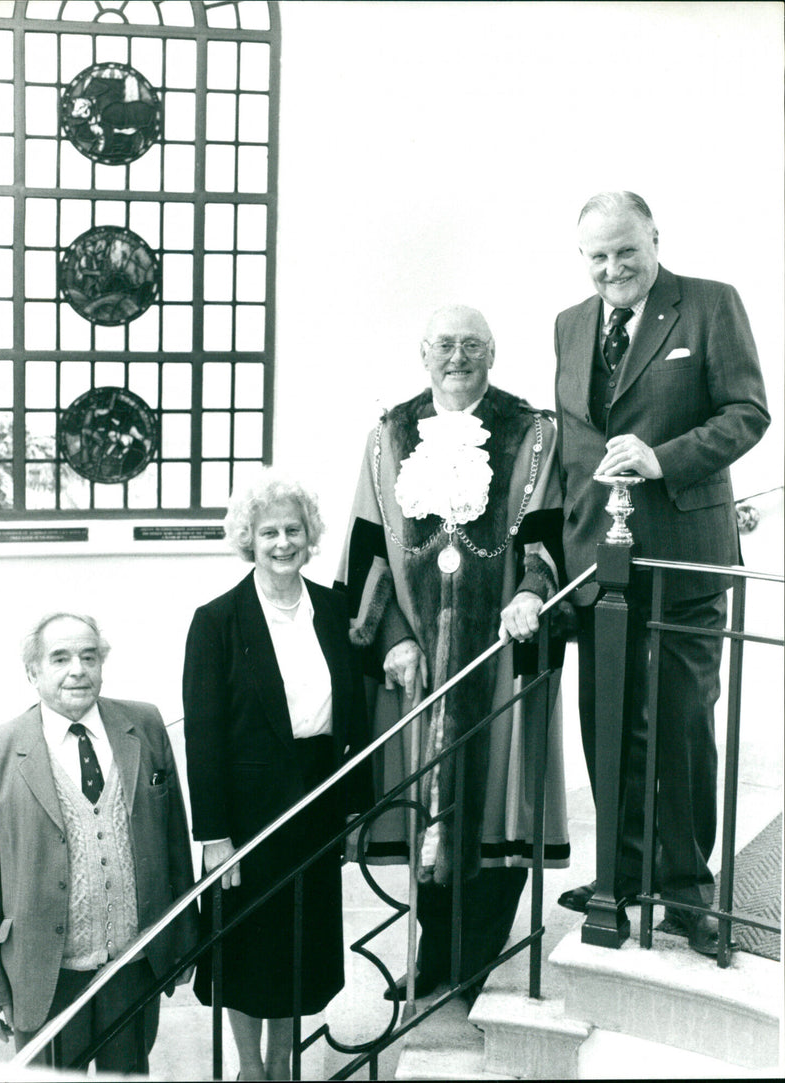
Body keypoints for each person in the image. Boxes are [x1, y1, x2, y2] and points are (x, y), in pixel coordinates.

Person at [553, 191, 770, 954]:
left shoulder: (710, 305)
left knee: (679, 723)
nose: (613, 267)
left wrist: (662, 458)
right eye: (598, 256)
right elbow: (575, 442)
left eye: (627, 251)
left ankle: (685, 889)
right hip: (598, 563)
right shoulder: (569, 324)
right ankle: (617, 876)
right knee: (606, 724)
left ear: (655, 240)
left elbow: (747, 412)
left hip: (686, 556)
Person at [337, 304, 570, 1005]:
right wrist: (392, 637)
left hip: (501, 649)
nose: (457, 356)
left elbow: (551, 531)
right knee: (426, 806)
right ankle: (434, 953)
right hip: (416, 662)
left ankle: (473, 960)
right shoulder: (386, 437)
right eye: (444, 344)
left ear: (492, 352)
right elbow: (366, 550)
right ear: (423, 353)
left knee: (499, 807)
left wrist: (531, 591)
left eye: (472, 344)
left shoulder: (532, 434)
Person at [183, 471, 371, 1082]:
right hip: (246, 813)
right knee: (245, 946)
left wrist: (355, 808)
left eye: (293, 530)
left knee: (298, 944)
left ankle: (284, 1063)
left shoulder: (333, 610)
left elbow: (357, 717)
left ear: (309, 536)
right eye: (269, 532)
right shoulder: (216, 621)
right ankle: (249, 1069)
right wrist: (214, 836)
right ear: (249, 539)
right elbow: (202, 738)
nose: (283, 543)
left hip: (317, 801)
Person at [0, 612, 197, 1073]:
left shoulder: (144, 724)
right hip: (45, 974)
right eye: (60, 658)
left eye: (89, 656)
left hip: (134, 962)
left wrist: (183, 940)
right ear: (32, 672)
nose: (78, 670)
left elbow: (175, 841)